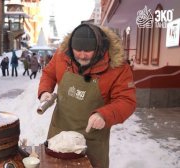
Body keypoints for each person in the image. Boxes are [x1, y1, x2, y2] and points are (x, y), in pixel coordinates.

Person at [38, 23, 136, 168]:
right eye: (78, 50)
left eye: (88, 51)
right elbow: (49, 73)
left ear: (99, 48)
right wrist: (45, 90)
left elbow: (127, 100)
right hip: (59, 132)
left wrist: (104, 115)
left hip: (91, 138)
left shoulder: (118, 67)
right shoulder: (62, 55)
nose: (82, 55)